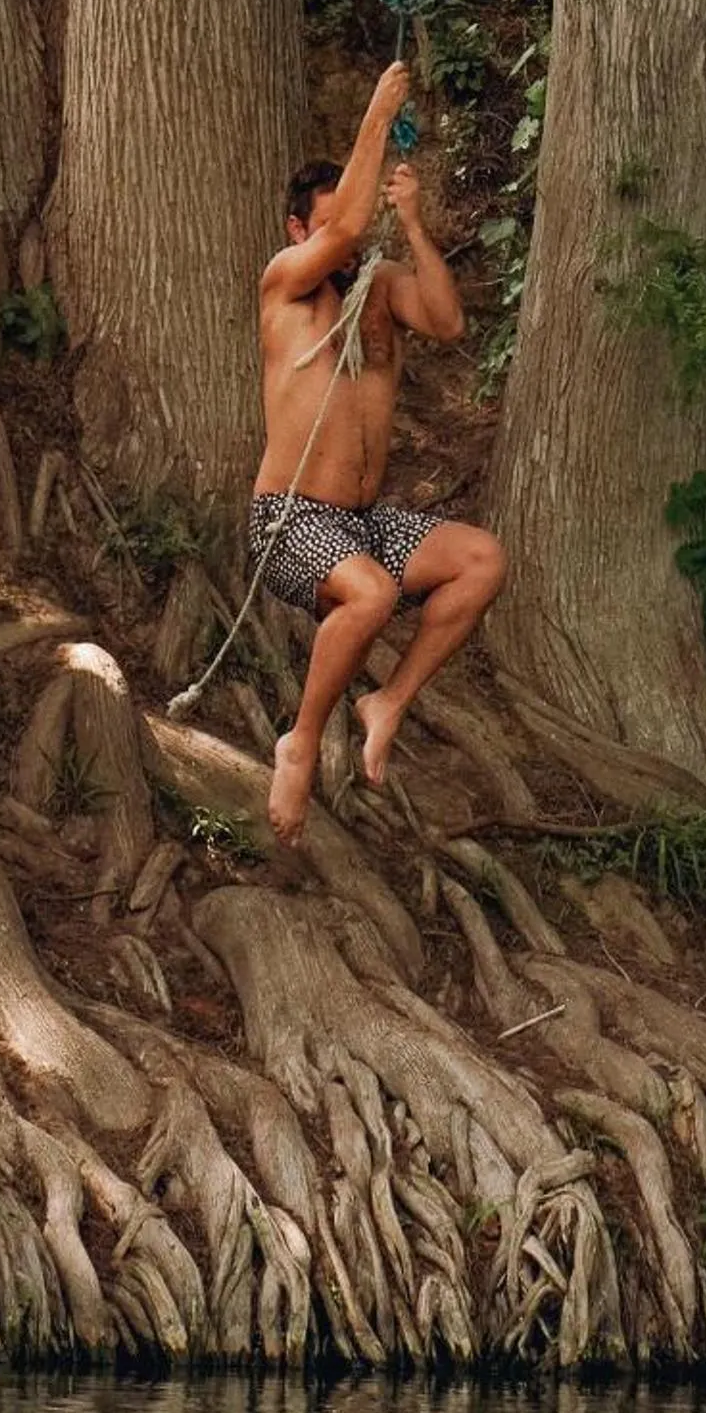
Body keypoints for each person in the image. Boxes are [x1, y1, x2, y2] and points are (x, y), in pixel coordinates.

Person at [252, 60, 501, 847]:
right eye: (328, 229)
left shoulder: (380, 289)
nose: (348, 246)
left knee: (481, 560)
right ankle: (300, 743)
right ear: (300, 232)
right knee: (371, 596)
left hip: (360, 525)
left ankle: (387, 701)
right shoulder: (286, 286)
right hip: (291, 519)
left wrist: (416, 224)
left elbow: (448, 322)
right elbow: (348, 230)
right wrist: (377, 114)